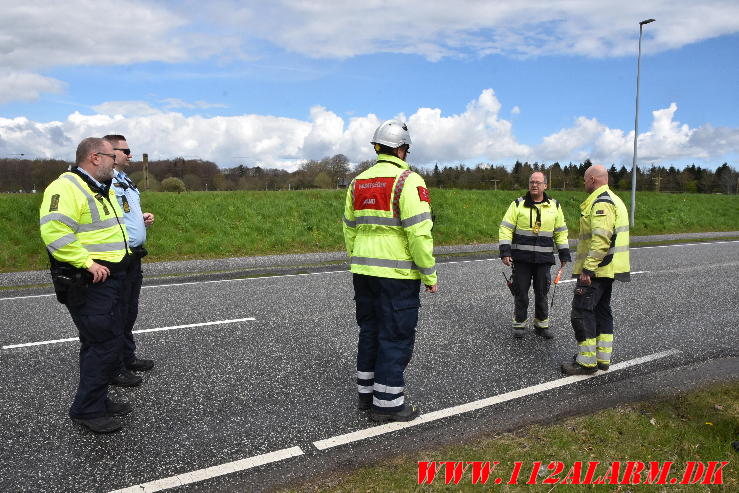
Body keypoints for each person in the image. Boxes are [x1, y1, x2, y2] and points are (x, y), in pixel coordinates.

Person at [342, 119, 438, 422]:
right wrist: (429, 274)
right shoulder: (409, 181)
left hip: (364, 272)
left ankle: (366, 396)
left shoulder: (358, 182)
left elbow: (349, 229)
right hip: (397, 276)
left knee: (369, 331)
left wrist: (360, 259)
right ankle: (389, 404)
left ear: (377, 147)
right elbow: (419, 234)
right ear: (402, 148)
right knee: (395, 336)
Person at [39, 137, 131, 433]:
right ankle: (87, 409)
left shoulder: (97, 187)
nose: (115, 161)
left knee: (103, 341)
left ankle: (98, 400)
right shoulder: (65, 187)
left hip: (108, 278)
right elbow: (54, 232)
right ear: (94, 157)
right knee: (103, 343)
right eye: (110, 157)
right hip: (88, 280)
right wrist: (86, 262)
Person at [561, 164, 630, 375]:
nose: (583, 183)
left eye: (584, 180)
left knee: (581, 313)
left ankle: (586, 362)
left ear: (592, 180)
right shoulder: (615, 199)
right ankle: (602, 359)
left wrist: (588, 269)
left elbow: (601, 239)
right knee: (601, 312)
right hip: (609, 269)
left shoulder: (602, 202)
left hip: (597, 270)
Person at [104, 134, 155, 386]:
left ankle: (127, 357)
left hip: (134, 255)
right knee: (116, 312)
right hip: (117, 257)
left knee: (129, 310)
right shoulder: (103, 182)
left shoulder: (125, 181)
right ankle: (113, 367)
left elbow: (123, 213)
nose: (130, 155)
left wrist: (140, 219)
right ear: (110, 152)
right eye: (126, 150)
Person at [499, 172, 570, 338]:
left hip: (543, 260)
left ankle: (541, 325)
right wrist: (505, 251)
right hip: (521, 259)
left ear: (545, 185)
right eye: (531, 182)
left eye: (538, 182)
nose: (534, 185)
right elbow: (506, 228)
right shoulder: (517, 204)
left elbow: (560, 231)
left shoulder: (555, 206)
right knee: (521, 293)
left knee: (542, 293)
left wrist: (564, 254)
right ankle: (519, 324)